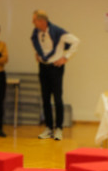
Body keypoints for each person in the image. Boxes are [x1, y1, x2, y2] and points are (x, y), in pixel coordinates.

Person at [31, 11, 79, 141]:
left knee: (57, 98)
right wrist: (38, 54)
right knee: (45, 98)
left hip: (56, 68)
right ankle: (48, 128)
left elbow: (76, 41)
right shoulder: (37, 33)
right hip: (43, 67)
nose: (32, 23)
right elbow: (41, 47)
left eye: (34, 20)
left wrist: (65, 57)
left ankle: (58, 128)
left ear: (42, 21)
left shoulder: (58, 32)